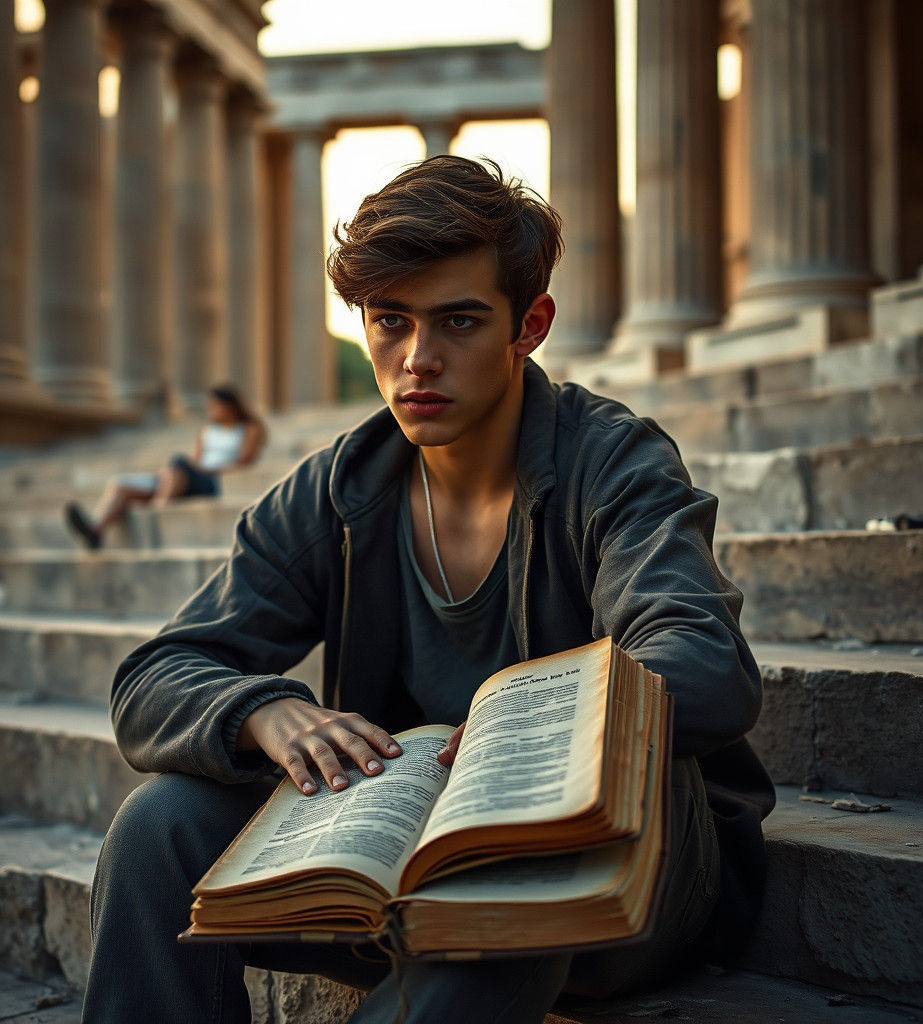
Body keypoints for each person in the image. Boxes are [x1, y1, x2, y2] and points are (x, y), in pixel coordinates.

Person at [83, 156, 774, 1024]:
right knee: (160, 826)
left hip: (616, 873)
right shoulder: (340, 489)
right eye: (390, 322)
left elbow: (705, 666)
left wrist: (517, 739)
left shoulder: (614, 463)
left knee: (492, 893)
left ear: (530, 325)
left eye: (458, 322)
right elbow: (154, 677)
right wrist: (263, 710)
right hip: (393, 858)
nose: (418, 359)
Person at [64, 385, 266, 549]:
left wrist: (206, 469)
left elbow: (243, 461)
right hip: (186, 476)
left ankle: (157, 509)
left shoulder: (249, 428)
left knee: (177, 464)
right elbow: (196, 458)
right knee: (120, 485)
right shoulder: (207, 430)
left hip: (210, 480)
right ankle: (95, 530)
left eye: (215, 405)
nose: (211, 409)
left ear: (229, 406)